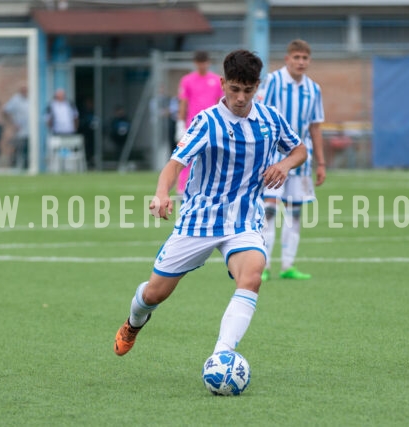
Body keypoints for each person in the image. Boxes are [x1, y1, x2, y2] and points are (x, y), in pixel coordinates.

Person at [114, 49, 307, 359]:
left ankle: (223, 355)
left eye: (248, 89)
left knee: (253, 276)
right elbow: (175, 164)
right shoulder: (206, 122)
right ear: (223, 83)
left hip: (243, 221)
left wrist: (284, 165)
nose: (241, 97)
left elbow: (299, 150)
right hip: (198, 221)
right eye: (234, 89)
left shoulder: (270, 119)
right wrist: (161, 193)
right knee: (154, 293)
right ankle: (134, 322)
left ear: (257, 86)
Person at [256, 39, 327, 281]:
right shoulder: (273, 81)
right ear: (287, 59)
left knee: (294, 214)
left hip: (301, 162)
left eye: (305, 58)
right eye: (296, 57)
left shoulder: (313, 89)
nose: (301, 62)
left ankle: (288, 265)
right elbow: (260, 116)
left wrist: (321, 163)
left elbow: (315, 128)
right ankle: (262, 266)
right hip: (274, 160)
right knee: (268, 211)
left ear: (309, 61)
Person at [175, 50, 224, 194]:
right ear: (195, 63)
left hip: (212, 125)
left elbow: (219, 103)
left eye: (204, 62)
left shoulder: (216, 80)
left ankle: (211, 188)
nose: (202, 65)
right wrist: (180, 124)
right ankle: (182, 189)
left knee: (213, 156)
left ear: (208, 63)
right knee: (186, 156)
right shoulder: (187, 80)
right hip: (192, 125)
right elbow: (183, 102)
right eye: (199, 62)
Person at [3, 84, 29, 169]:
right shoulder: (15, 99)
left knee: (28, 149)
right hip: (20, 130)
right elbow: (6, 111)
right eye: (24, 90)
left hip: (31, 130)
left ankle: (27, 166)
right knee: (18, 148)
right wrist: (13, 124)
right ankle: (15, 166)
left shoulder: (32, 98)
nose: (26, 92)